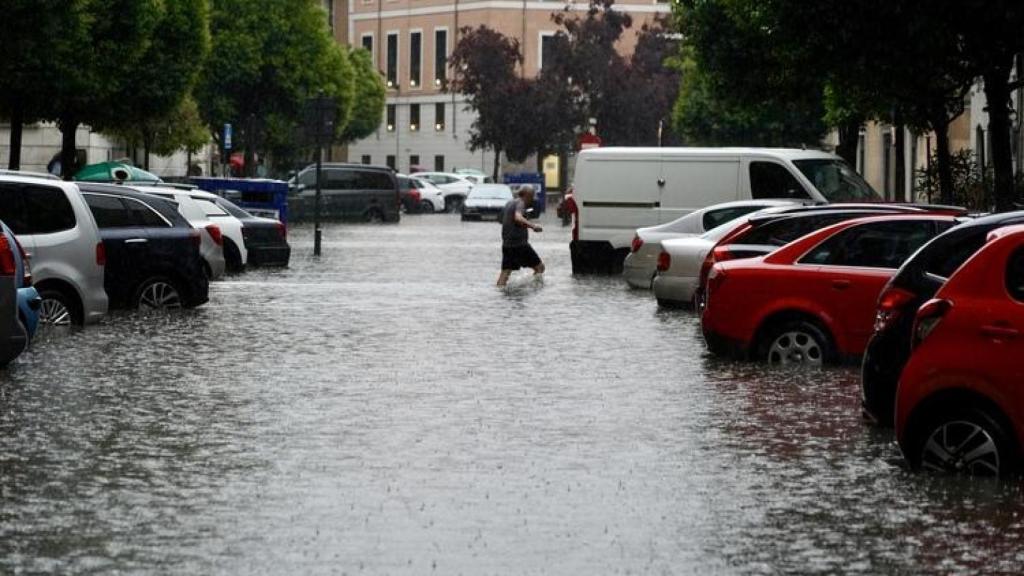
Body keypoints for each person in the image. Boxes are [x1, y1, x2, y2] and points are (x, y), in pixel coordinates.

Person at [497, 185, 544, 286]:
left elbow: (500, 219)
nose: (532, 200)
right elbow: (518, 217)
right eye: (532, 196)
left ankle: (499, 293)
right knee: (540, 267)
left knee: (505, 273)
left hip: (507, 244)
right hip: (520, 245)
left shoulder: (509, 203)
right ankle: (535, 289)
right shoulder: (520, 203)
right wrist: (533, 226)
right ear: (527, 195)